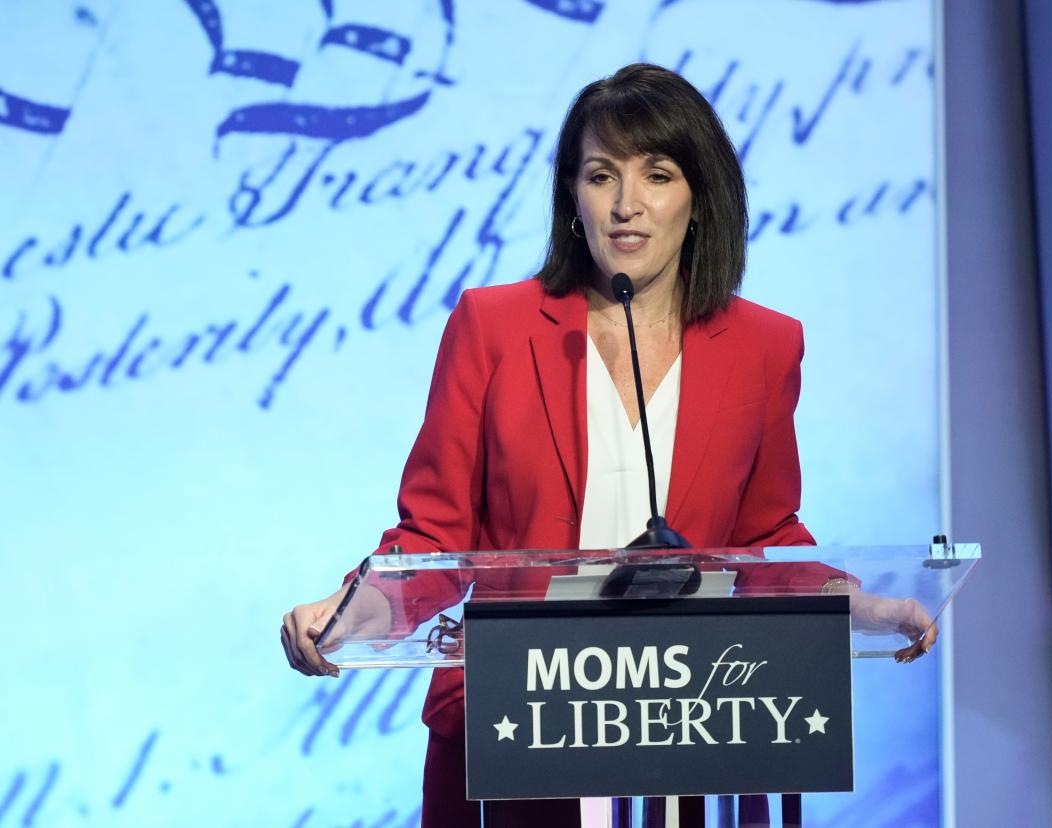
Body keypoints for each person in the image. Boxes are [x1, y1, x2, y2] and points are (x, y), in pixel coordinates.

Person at [281, 63, 936, 827]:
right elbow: (434, 535)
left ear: (698, 200)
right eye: (601, 176)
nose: (627, 205)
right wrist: (346, 611)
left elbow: (766, 539)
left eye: (657, 174)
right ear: (572, 200)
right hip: (515, 730)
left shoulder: (764, 346)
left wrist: (862, 607)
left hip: (698, 728)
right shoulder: (493, 329)